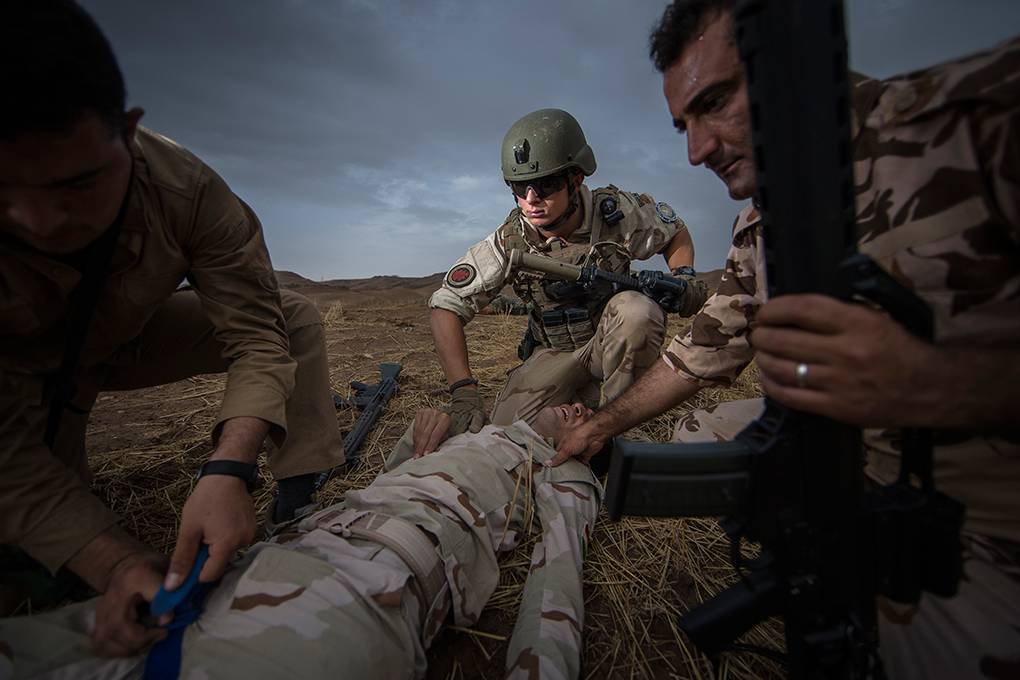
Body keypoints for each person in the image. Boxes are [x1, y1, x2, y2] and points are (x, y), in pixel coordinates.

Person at [552, 1, 1020, 677]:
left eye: (715, 103)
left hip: (985, 502)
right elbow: (698, 353)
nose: (696, 150)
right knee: (690, 444)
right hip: (845, 450)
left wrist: (936, 384)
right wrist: (601, 425)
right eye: (684, 125)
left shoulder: (977, 121)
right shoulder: (762, 221)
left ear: (796, 63)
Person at [0, 0, 343, 651]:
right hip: (18, 384)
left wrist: (230, 467)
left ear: (127, 132)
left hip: (116, 343)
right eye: (6, 194)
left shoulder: (186, 191)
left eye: (75, 185)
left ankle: (300, 499)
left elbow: (257, 335)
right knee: (39, 564)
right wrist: (112, 560)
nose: (41, 222)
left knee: (293, 316)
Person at [0, 403, 602, 680]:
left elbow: (559, 570)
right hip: (251, 564)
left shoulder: (556, 468)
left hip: (361, 595)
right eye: (576, 401)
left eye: (586, 415)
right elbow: (382, 488)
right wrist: (416, 444)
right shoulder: (483, 431)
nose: (577, 406)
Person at [427, 107, 709, 445]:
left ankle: (618, 431)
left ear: (575, 179)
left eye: (545, 185)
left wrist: (684, 276)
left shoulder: (617, 214)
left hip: (609, 348)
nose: (531, 199)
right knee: (505, 437)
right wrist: (463, 391)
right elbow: (445, 306)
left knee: (638, 311)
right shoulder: (510, 240)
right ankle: (582, 403)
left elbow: (674, 231)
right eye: (519, 186)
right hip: (552, 355)